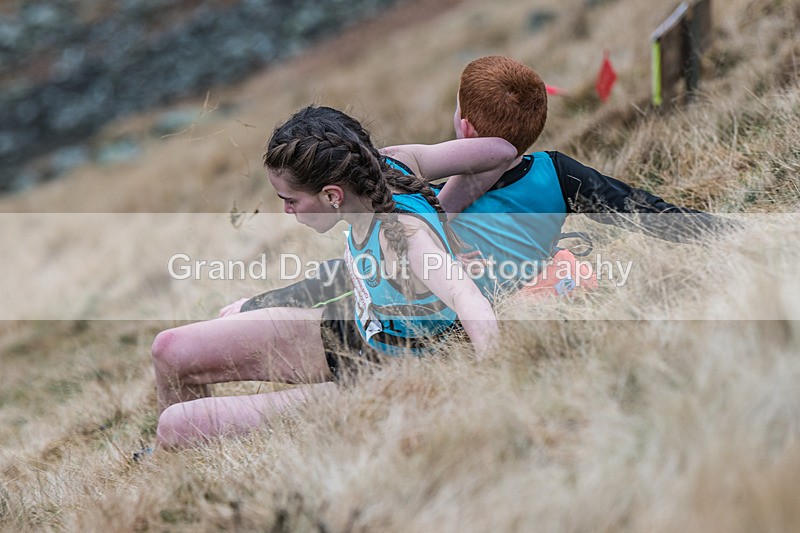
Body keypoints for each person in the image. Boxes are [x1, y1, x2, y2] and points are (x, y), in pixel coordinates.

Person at [236, 55, 726, 310]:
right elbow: (643, 210)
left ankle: (250, 308)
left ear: (465, 125)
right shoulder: (556, 174)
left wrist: (261, 304)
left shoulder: (422, 193)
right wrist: (726, 235)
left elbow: (346, 277)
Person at [151, 105, 512, 449]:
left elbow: (468, 298)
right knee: (169, 350)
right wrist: (443, 217)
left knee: (176, 425)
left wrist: (493, 376)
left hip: (382, 373)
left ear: (332, 195)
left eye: (290, 200)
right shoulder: (388, 164)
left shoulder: (403, 235)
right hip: (356, 331)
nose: (286, 210)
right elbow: (501, 151)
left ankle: (169, 470)